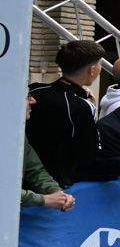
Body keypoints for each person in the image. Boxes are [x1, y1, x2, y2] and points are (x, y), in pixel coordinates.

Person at [27, 39, 108, 186]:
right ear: (92, 70)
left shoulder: (33, 90)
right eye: (100, 65)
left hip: (23, 173)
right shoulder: (80, 105)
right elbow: (90, 155)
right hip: (59, 184)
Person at [21, 96, 75, 211]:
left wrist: (58, 194)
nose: (33, 100)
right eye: (26, 95)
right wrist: (43, 200)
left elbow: (35, 169)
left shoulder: (17, 132)